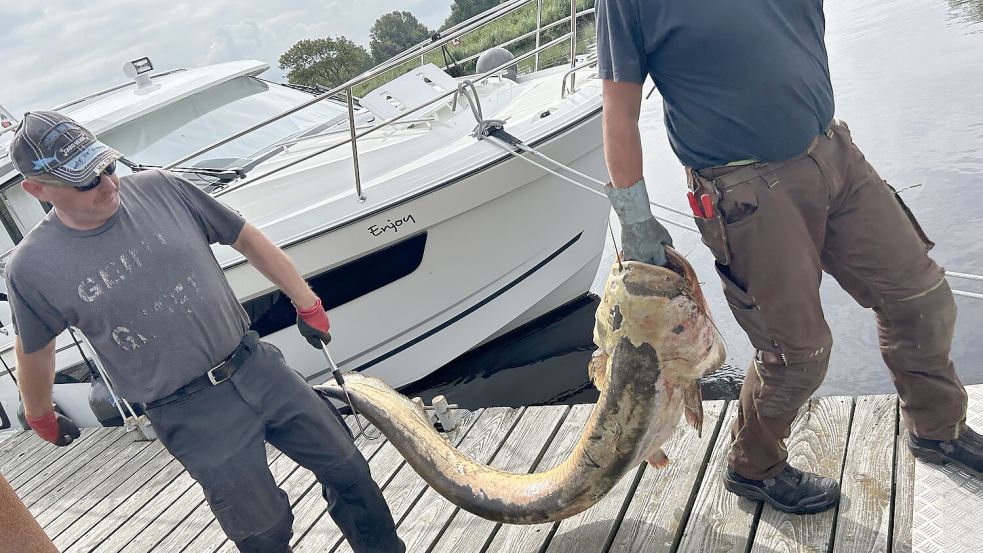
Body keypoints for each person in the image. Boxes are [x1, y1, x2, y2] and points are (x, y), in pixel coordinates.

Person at [595, 0, 983, 514]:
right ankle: (753, 465)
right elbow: (618, 110)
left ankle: (938, 428)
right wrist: (635, 217)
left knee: (921, 297)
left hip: (832, 151)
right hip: (745, 190)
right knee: (796, 355)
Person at [6, 111, 405, 552]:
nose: (108, 185)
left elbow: (246, 238)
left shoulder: (162, 188)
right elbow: (36, 349)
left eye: (108, 167)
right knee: (264, 531)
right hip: (187, 410)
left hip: (255, 364)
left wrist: (307, 302)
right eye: (86, 181)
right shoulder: (33, 267)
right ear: (37, 190)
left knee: (349, 469)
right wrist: (40, 413)